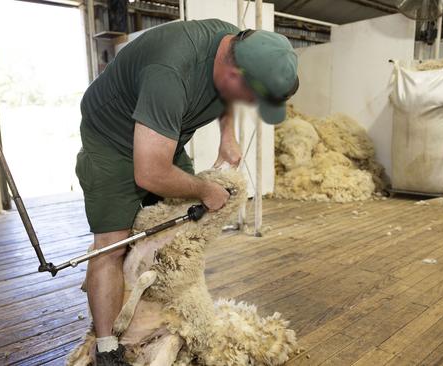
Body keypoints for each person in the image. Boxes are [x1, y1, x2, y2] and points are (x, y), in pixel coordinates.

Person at [75, 19, 298, 365]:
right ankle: (106, 347)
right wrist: (205, 188)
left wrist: (228, 135)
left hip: (165, 135)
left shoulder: (237, 44)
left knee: (180, 235)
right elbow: (149, 171)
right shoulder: (170, 72)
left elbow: (228, 94)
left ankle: (165, 316)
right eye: (252, 97)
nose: (251, 104)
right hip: (112, 139)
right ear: (235, 75)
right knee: (112, 245)